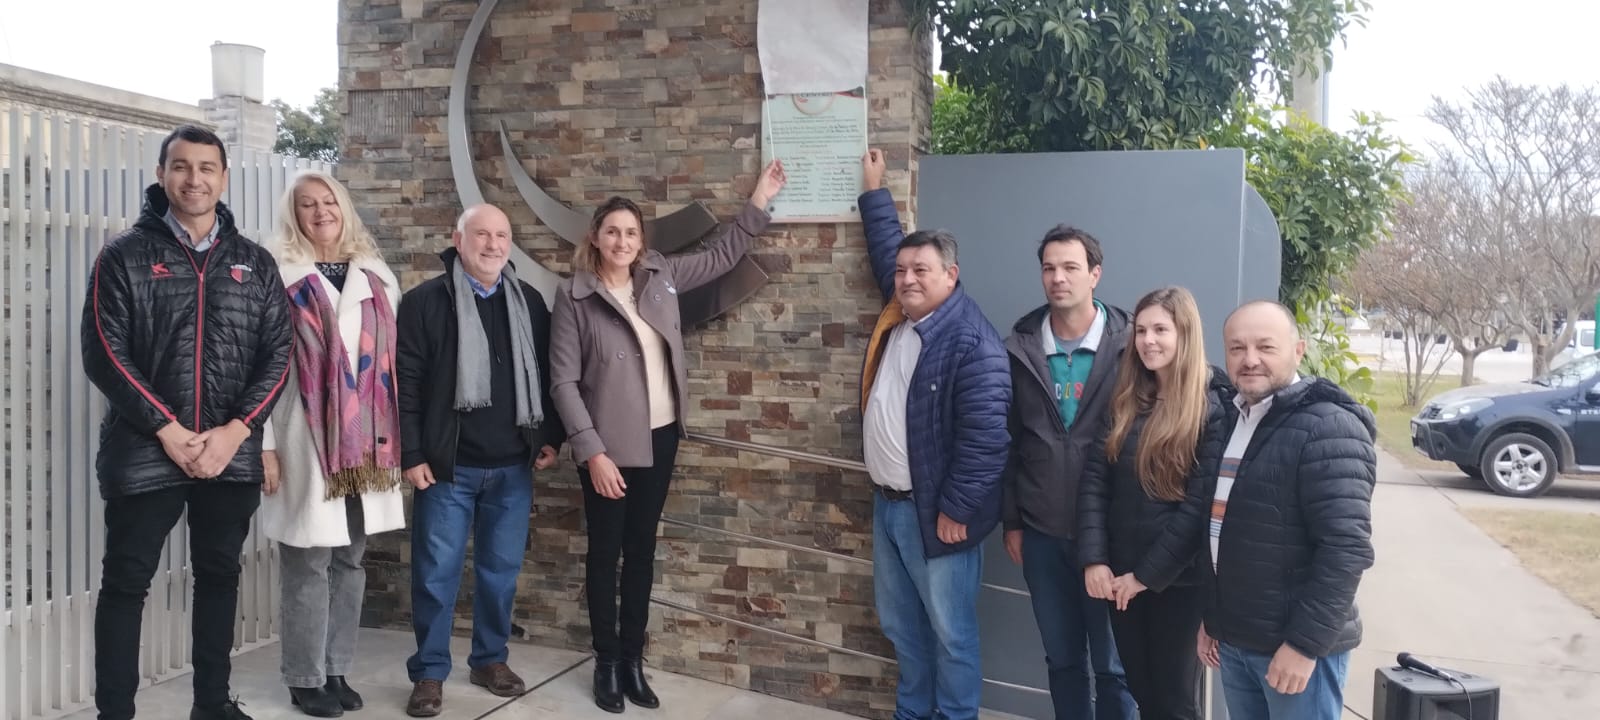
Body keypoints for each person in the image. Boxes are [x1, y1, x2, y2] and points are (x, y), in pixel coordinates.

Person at [549, 159, 787, 713]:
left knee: (641, 551)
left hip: (660, 439)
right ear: (595, 237)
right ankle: (606, 663)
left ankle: (633, 660)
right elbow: (561, 382)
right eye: (613, 231)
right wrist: (592, 451)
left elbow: (724, 256)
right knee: (605, 554)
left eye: (631, 232)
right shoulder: (573, 296)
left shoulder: (662, 276)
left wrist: (760, 198)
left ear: (642, 240)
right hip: (606, 449)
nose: (622, 241)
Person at [81, 124, 293, 720]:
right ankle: (115, 712)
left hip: (230, 452)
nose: (193, 179)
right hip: (145, 450)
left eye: (206, 168)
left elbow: (279, 355)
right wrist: (168, 431)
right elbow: (104, 351)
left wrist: (236, 431)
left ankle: (212, 704)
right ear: (161, 174)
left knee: (219, 576)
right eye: (180, 166)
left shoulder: (254, 262)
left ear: (223, 178)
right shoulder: (123, 255)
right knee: (127, 583)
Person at [855, 149, 1011, 720]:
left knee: (951, 634)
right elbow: (887, 251)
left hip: (938, 514)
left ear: (952, 275)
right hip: (888, 505)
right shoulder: (902, 311)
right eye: (903, 271)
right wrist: (874, 190)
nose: (907, 279)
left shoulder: (973, 343)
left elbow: (987, 440)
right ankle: (912, 713)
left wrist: (956, 509)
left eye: (921, 270)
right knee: (902, 627)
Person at [395, 204, 566, 717]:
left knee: (500, 573)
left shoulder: (529, 302)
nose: (493, 245)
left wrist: (550, 437)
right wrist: (411, 452)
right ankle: (429, 672)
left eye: (502, 236)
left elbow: (549, 377)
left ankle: (490, 659)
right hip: (446, 468)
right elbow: (406, 385)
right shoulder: (425, 302)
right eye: (482, 234)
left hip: (513, 468)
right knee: (435, 575)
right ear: (458, 239)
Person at [258, 172, 408, 717]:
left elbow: (393, 365)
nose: (320, 211)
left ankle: (336, 667)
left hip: (367, 444)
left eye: (329, 202)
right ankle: (304, 676)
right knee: (308, 561)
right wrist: (264, 443)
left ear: (344, 208)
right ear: (293, 214)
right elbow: (259, 366)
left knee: (350, 560)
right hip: (303, 438)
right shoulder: (276, 276)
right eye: (308, 204)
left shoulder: (378, 278)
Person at [1193, 300, 1377, 720]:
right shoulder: (1232, 421)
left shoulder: (1329, 428)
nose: (1249, 359)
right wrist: (1214, 620)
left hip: (1293, 649)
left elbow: (1345, 550)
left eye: (1265, 346)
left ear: (1298, 350)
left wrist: (1304, 645)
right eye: (1237, 348)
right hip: (1236, 640)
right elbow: (1223, 529)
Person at [999, 224, 1136, 719]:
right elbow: (1009, 441)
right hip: (1042, 535)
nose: (1058, 278)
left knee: (1115, 667)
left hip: (1112, 536)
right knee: (1062, 661)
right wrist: (1013, 520)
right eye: (1049, 268)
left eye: (1071, 267)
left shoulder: (1133, 346)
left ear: (1095, 274)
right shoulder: (1019, 348)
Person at [1077, 286, 1228, 720]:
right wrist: (1095, 559)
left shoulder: (1212, 407)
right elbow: (1094, 483)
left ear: (1185, 334)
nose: (1148, 340)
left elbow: (1198, 509)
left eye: (1160, 329)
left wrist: (1145, 576)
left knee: (1174, 703)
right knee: (1144, 694)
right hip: (1120, 580)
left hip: (1177, 585)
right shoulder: (1125, 401)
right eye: (1141, 330)